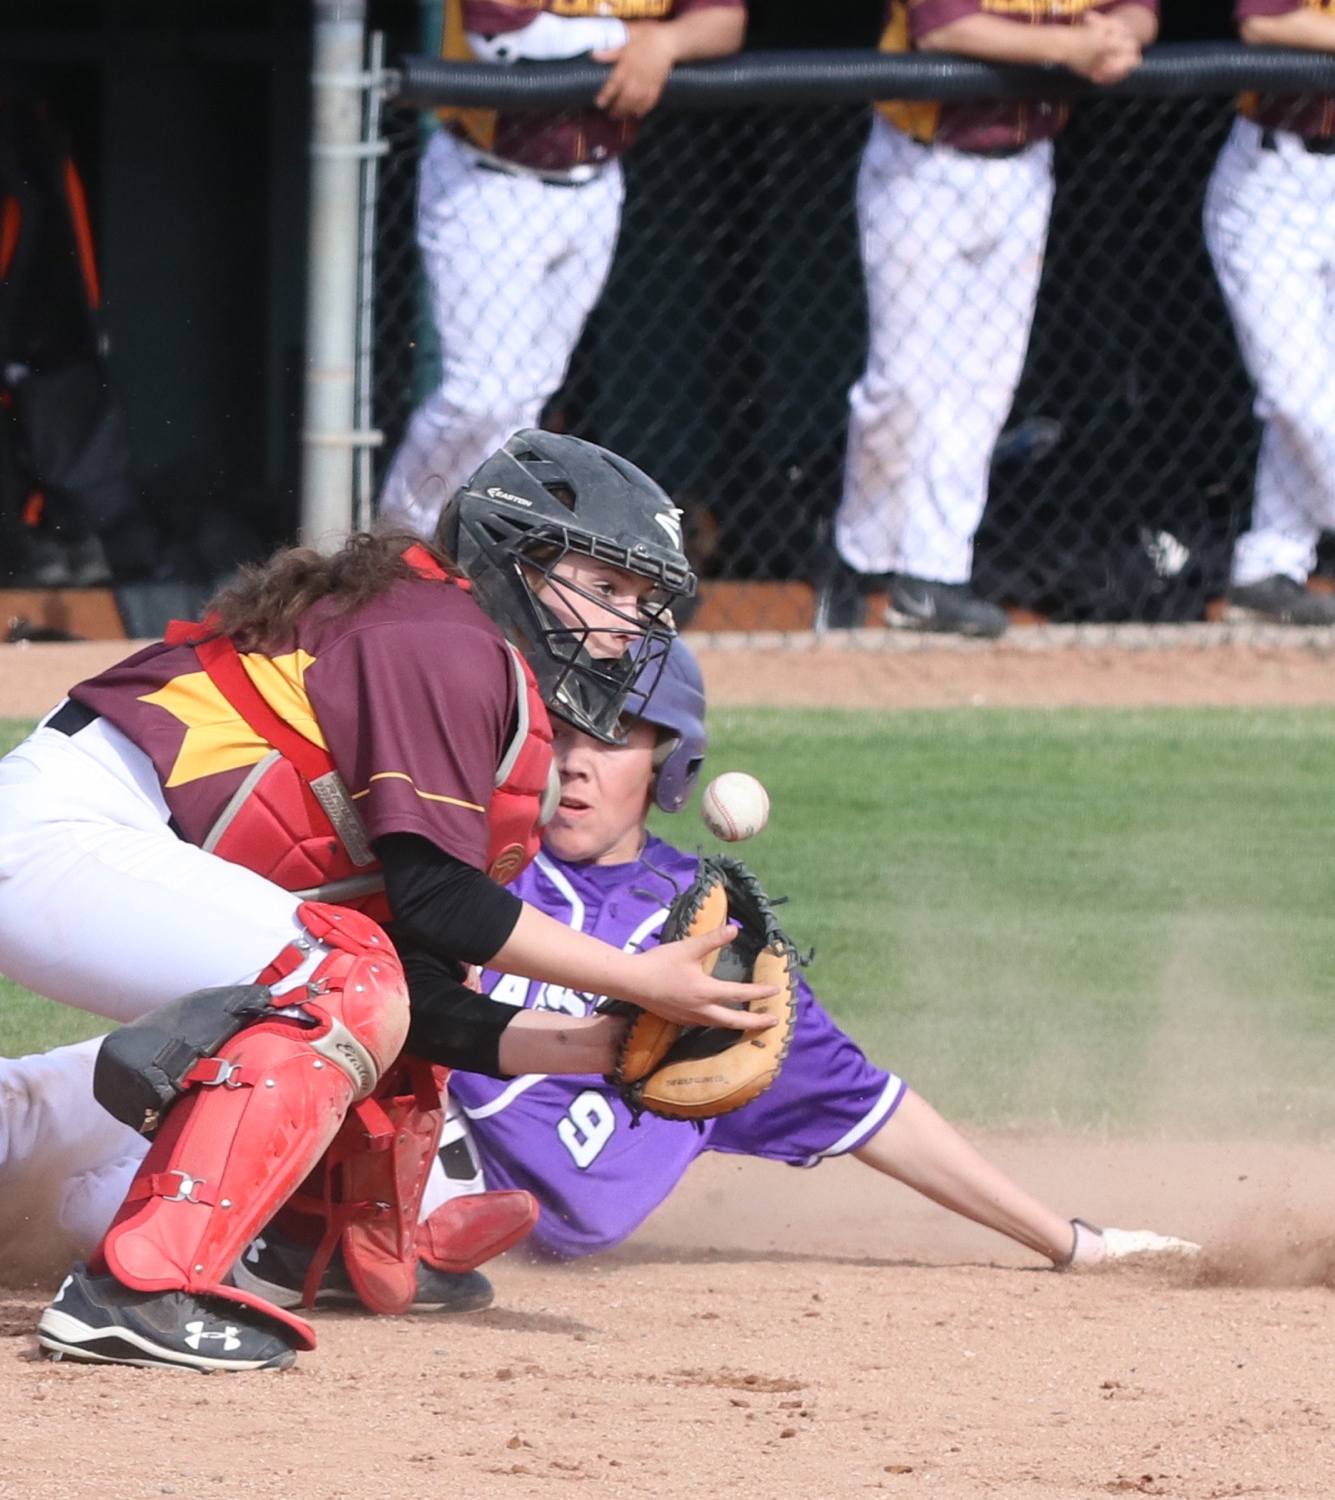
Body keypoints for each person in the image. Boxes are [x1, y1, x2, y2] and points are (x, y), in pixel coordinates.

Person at [0, 429, 783, 1373]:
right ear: (514, 555)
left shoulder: (438, 641)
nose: (627, 626)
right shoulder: (446, 639)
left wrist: (589, 1047)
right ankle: (139, 1287)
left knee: (46, 1102)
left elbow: (422, 980)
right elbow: (435, 908)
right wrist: (643, 979)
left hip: (77, 845)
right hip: (73, 837)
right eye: (606, 588)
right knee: (339, 981)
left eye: (639, 604)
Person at [415, 640, 1202, 1269]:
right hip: (416, 1158)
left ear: (669, 762)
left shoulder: (715, 938)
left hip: (516, 1228)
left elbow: (872, 1111)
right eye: (560, 730)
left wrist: (1074, 1244)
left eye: (614, 733)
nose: (575, 761)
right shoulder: (473, 865)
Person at [818, 0, 1158, 639]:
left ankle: (935, 574)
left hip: (1026, 166)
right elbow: (945, 26)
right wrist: (1073, 48)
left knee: (984, 385)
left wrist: (1116, 34)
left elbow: (1137, 12)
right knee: (903, 384)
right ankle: (857, 554)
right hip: (922, 164)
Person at [375, 0, 747, 537]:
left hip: (596, 182)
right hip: (489, 183)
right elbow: (499, 33)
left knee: (529, 392)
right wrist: (635, 34)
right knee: (480, 392)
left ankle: (466, 554)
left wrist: (665, 44)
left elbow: (725, 21)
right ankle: (396, 544)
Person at [1202, 0, 1335, 626]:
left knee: (1316, 392)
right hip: (1277, 174)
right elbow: (1267, 20)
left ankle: (1270, 565)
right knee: (1295, 394)